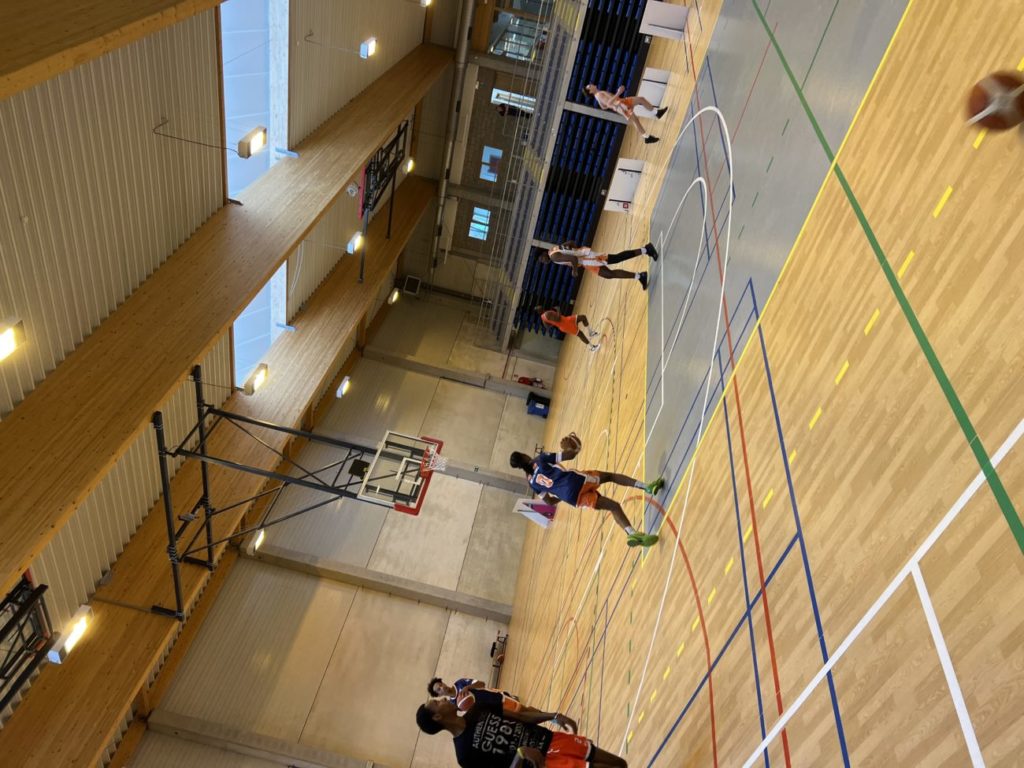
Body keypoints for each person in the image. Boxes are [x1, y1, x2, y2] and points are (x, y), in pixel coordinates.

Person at [509, 440, 663, 548]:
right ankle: (647, 487)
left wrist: (561, 494)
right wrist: (571, 447)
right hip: (577, 481)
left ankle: (631, 533)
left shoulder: (531, 482)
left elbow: (549, 502)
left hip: (571, 498)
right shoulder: (540, 459)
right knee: (610, 476)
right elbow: (570, 455)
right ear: (524, 455)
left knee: (613, 506)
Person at [416, 695, 628, 768]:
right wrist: (520, 754)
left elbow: (521, 716)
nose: (443, 699)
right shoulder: (464, 755)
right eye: (437, 702)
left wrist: (554, 716)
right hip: (544, 764)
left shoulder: (479, 708)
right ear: (437, 717)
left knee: (620, 764)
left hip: (552, 739)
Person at [539, 242, 658, 291]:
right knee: (609, 274)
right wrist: (577, 250)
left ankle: (646, 249)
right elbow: (570, 242)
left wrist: (574, 270)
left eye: (541, 259)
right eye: (541, 261)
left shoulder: (554, 257)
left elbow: (573, 259)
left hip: (588, 258)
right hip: (585, 260)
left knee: (616, 259)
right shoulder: (553, 250)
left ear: (544, 254)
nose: (543, 261)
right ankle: (640, 276)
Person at [583, 83, 667, 144]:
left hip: (621, 102)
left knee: (640, 100)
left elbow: (603, 107)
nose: (591, 84)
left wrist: (613, 106)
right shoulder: (599, 95)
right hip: (621, 106)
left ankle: (657, 113)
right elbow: (608, 103)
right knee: (635, 119)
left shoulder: (597, 96)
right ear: (590, 92)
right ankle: (646, 137)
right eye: (589, 86)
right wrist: (619, 92)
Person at [428, 677, 524, 713]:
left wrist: (468, 687)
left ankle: (512, 698)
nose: (442, 687)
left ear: (443, 682)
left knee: (522, 709)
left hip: (495, 697)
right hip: (490, 711)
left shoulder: (460, 683)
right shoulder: (453, 704)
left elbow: (482, 684)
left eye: (441, 684)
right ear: (439, 695)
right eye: (439, 689)